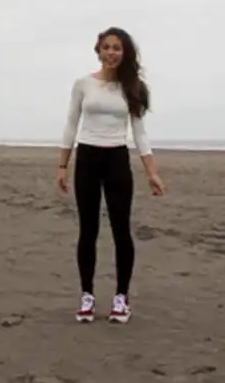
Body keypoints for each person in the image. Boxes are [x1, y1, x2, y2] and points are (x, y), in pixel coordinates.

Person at [56, 26, 165, 324]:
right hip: (88, 158)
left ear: (125, 52)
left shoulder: (133, 88)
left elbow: (140, 133)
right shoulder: (83, 85)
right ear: (98, 50)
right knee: (88, 231)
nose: (112, 52)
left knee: (121, 231)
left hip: (117, 158)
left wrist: (151, 173)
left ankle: (121, 298)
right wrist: (63, 166)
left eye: (117, 48)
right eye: (107, 47)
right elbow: (70, 124)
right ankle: (87, 296)